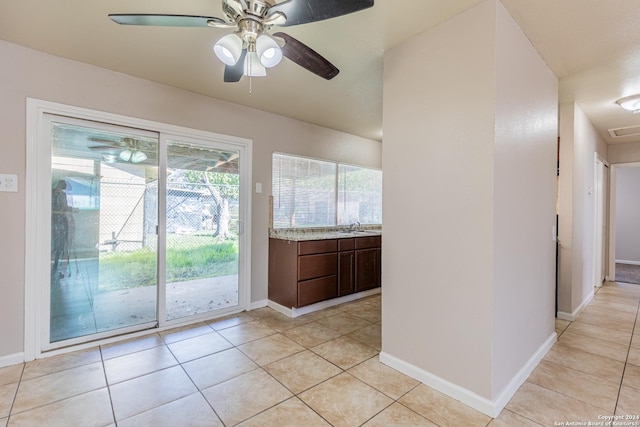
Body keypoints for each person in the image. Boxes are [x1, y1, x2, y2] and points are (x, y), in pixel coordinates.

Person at [51, 180, 77, 278]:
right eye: (63, 185)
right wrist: (69, 209)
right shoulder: (51, 193)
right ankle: (54, 266)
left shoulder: (62, 195)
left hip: (63, 221)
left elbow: (64, 207)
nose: (64, 187)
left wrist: (70, 209)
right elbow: (59, 208)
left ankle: (59, 267)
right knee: (57, 245)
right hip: (54, 221)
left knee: (63, 244)